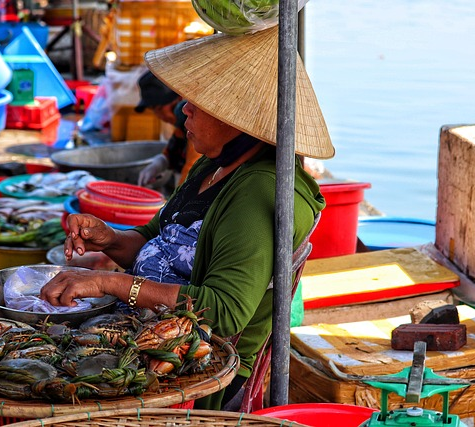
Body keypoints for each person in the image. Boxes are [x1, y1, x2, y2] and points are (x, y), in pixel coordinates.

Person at [40, 25, 335, 410]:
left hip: (200, 368)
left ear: (240, 119)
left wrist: (110, 283)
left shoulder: (258, 193)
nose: (184, 109)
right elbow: (154, 241)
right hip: (145, 332)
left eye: (199, 101)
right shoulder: (213, 167)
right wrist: (109, 238)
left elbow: (223, 312)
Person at [134, 70, 201, 187]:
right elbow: (173, 149)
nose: (159, 116)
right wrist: (160, 162)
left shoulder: (198, 127)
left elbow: (192, 167)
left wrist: (176, 201)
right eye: (153, 110)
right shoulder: (182, 126)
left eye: (159, 108)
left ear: (180, 99)